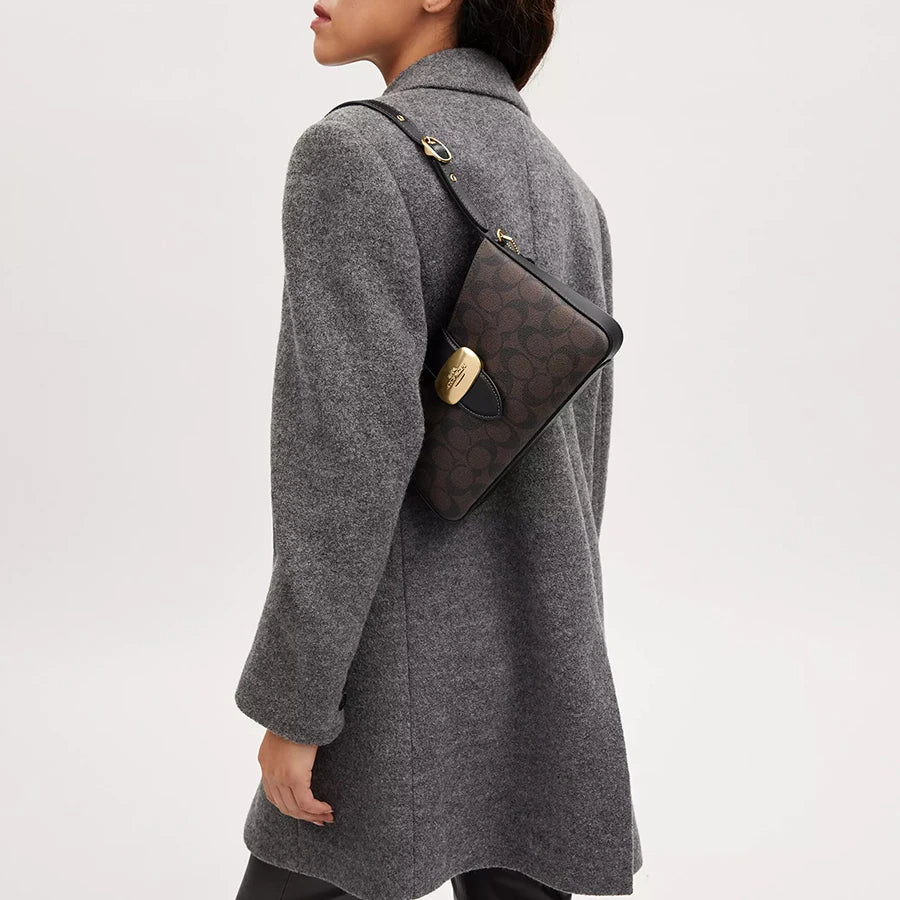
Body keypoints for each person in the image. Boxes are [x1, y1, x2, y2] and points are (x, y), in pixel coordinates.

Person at [233, 1, 643, 898]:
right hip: (543, 666)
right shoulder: (571, 193)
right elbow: (586, 464)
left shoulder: (353, 156)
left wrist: (298, 702)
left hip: (389, 683)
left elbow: (343, 457)